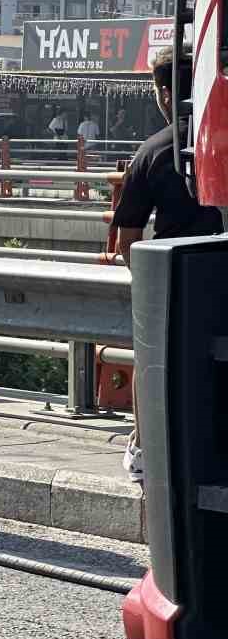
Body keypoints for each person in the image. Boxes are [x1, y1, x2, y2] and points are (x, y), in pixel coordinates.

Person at [110, 47, 223, 483]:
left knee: (151, 360)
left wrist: (146, 281)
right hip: (221, 271)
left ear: (161, 92)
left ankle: (142, 447)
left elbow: (129, 237)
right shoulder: (221, 140)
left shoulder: (152, 152)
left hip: (174, 277)